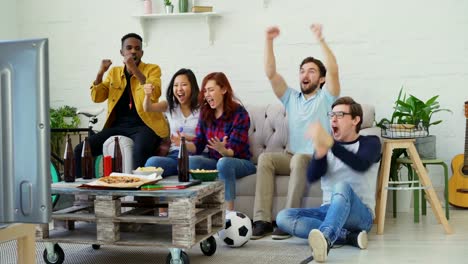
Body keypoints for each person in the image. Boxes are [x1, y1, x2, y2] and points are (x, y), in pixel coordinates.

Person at [252, 23, 340, 240]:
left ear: (321, 79)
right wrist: (268, 40)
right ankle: (261, 220)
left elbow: (334, 70)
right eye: (302, 71)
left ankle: (288, 219)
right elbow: (271, 73)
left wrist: (321, 40)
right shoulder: (291, 97)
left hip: (314, 157)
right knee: (265, 159)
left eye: (311, 71)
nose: (305, 74)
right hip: (291, 155)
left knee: (300, 159)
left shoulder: (326, 97)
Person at [276, 97, 382, 263]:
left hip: (361, 215)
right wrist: (320, 153)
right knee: (283, 217)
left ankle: (326, 239)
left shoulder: (370, 142)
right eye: (331, 114)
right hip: (328, 211)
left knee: (341, 187)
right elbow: (312, 176)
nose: (333, 118)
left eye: (339, 115)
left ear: (355, 120)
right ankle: (347, 237)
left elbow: (360, 164)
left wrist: (331, 144)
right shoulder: (327, 146)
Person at [74, 33, 168, 176]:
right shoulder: (114, 72)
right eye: (129, 48)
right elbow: (97, 97)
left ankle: (140, 195)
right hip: (118, 126)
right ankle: (82, 193)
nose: (133, 51)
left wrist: (134, 70)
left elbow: (154, 93)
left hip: (145, 126)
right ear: (122, 52)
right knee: (80, 149)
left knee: (140, 152)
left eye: (137, 49)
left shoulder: (152, 69)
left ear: (142, 53)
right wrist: (100, 73)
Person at [171, 72, 256, 211]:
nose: (207, 94)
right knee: (192, 161)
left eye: (211, 90)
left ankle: (228, 214)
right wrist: (183, 143)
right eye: (205, 91)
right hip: (215, 161)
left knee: (224, 163)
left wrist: (223, 150)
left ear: (223, 90)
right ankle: (195, 208)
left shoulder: (239, 113)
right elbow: (198, 146)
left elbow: (233, 151)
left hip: (239, 162)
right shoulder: (206, 113)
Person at [143, 68, 200, 177]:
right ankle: (179, 170)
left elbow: (207, 136)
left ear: (192, 87)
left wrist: (186, 139)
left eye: (183, 85)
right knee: (152, 163)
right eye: (175, 85)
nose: (179, 89)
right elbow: (148, 108)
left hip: (197, 154)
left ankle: (183, 170)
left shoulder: (203, 108)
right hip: (175, 156)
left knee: (192, 164)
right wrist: (147, 95)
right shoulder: (170, 106)